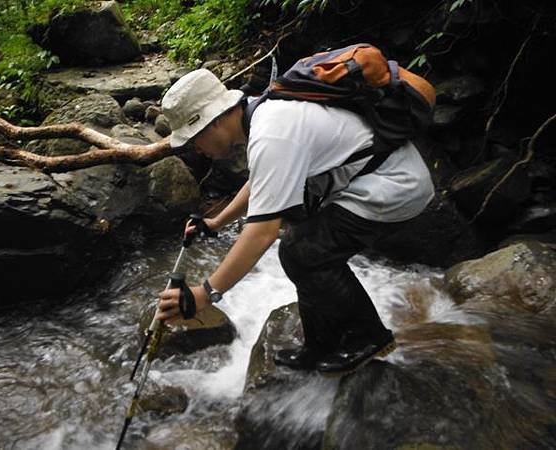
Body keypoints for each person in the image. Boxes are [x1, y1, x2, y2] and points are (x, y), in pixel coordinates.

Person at [155, 68, 435, 374]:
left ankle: (367, 337)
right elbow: (262, 181)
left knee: (302, 251)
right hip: (370, 183)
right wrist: (217, 222)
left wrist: (205, 294)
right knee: (301, 247)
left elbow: (261, 234)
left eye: (195, 139)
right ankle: (321, 344)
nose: (197, 149)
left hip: (395, 186)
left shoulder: (271, 132)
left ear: (215, 121)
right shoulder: (264, 114)